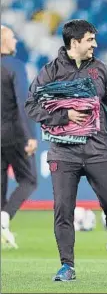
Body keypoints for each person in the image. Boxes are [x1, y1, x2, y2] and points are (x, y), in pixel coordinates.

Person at [25, 20, 107, 281]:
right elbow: (31, 105)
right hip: (63, 153)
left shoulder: (102, 71)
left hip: (99, 151)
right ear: (74, 42)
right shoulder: (49, 72)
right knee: (63, 210)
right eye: (90, 40)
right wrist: (64, 116)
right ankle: (67, 266)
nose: (95, 45)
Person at [1, 25, 38, 249]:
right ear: (4, 42)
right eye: (12, 37)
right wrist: (30, 136)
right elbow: (23, 102)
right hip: (13, 134)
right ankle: (5, 217)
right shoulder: (15, 66)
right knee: (29, 179)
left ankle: (3, 226)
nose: (15, 41)